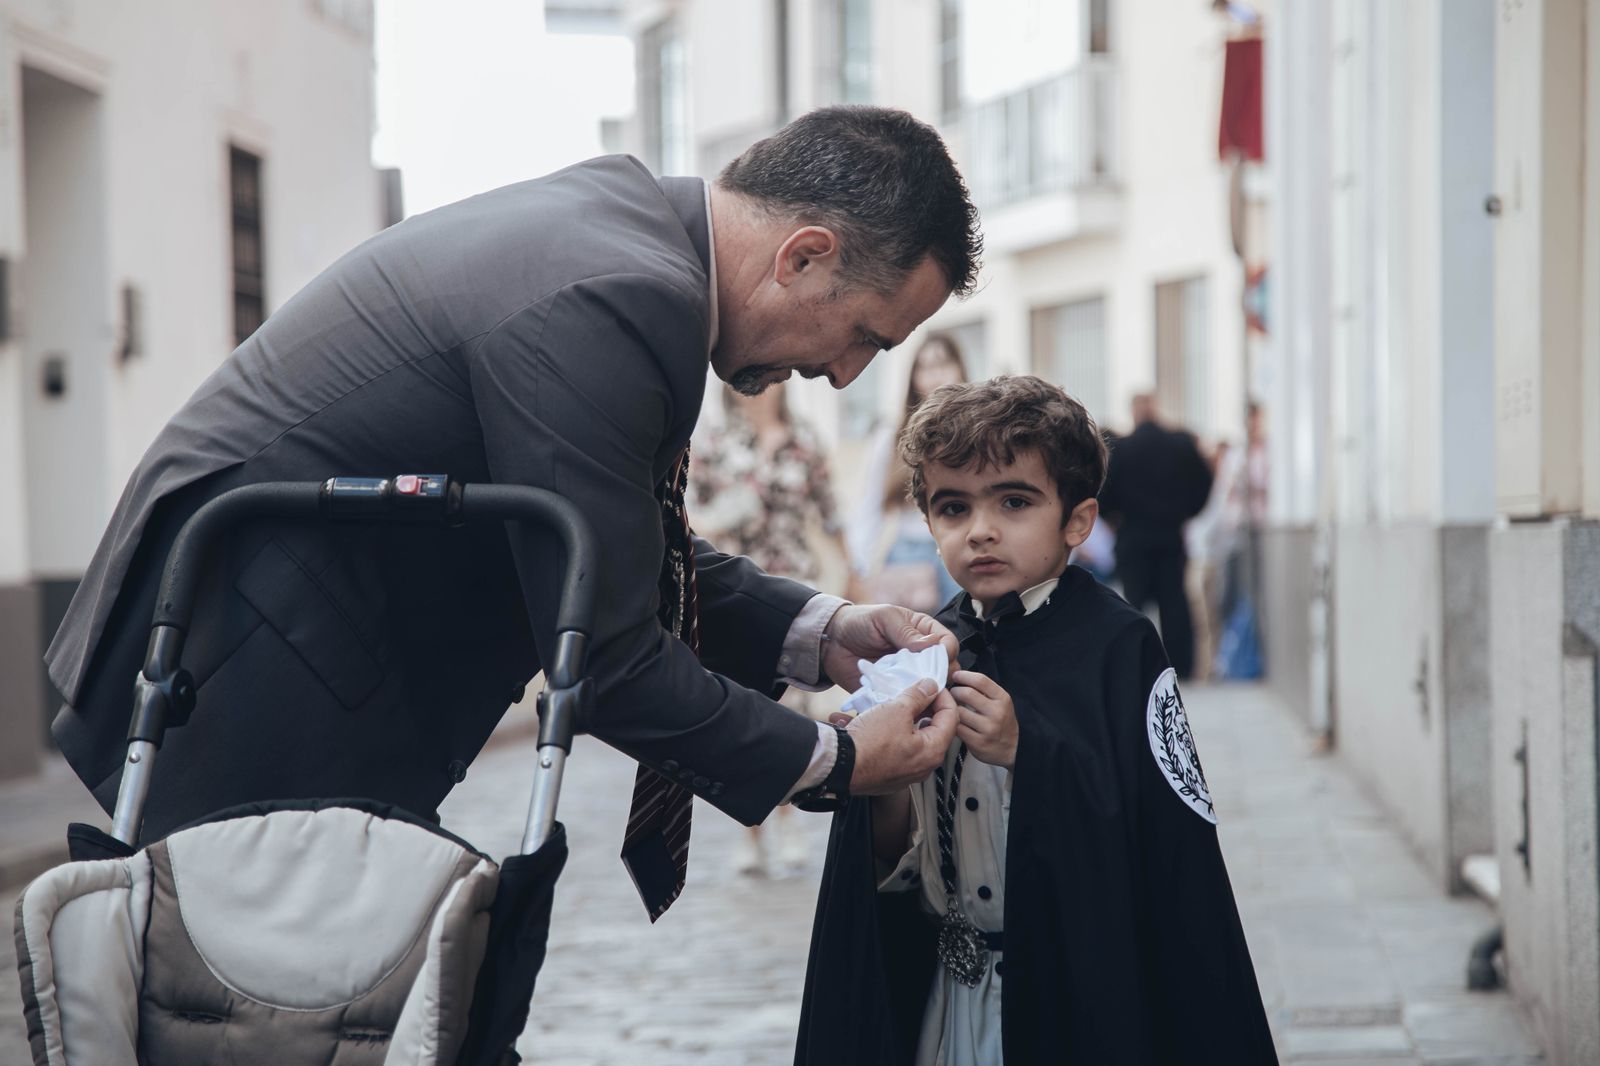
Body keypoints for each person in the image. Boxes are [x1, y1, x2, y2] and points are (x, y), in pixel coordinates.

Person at [43, 107, 981, 922]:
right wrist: (837, 757)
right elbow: (609, 659)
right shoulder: (620, 291)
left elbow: (611, 545)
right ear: (805, 254)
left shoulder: (629, 235)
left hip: (277, 635)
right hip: (244, 664)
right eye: (864, 333)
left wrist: (823, 632)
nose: (848, 374)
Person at [795, 376, 1276, 1065]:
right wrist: (881, 776)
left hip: (1072, 999)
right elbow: (893, 862)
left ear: (1076, 521)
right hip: (944, 999)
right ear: (929, 524)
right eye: (953, 507)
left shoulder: (1119, 647)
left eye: (1014, 501)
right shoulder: (928, 648)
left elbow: (1164, 846)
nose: (981, 530)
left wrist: (1030, 752)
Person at [690, 382, 848, 876]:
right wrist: (724, 513)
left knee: (793, 709)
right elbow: (687, 519)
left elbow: (831, 513)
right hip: (737, 591)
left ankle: (787, 822)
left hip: (796, 585)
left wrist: (855, 573)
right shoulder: (716, 444)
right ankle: (750, 831)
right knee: (746, 709)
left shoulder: (804, 438)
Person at [845, 334, 968, 613]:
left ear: (960, 368)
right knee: (909, 642)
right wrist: (859, 569)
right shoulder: (892, 435)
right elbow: (869, 505)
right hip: (907, 553)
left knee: (964, 643)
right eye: (924, 367)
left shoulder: (976, 431)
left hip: (961, 548)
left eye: (943, 363)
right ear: (914, 377)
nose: (935, 375)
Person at [1098, 392, 1215, 679]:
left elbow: (1103, 492)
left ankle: (1136, 668)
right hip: (1170, 537)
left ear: (1135, 412)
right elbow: (1205, 482)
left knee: (1133, 604)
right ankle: (1181, 669)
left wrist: (1114, 518)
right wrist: (1188, 512)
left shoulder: (1121, 449)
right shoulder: (1181, 444)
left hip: (1133, 537)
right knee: (1175, 604)